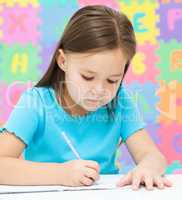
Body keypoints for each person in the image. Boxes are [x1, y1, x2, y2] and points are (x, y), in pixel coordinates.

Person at [0, 5, 172, 190]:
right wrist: (60, 174)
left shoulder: (120, 102)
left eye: (112, 80)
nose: (99, 90)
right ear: (63, 61)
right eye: (88, 77)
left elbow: (153, 156)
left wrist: (148, 167)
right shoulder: (35, 103)